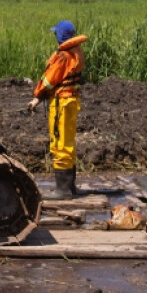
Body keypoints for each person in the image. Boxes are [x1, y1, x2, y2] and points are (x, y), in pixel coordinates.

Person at [27, 20, 88, 199]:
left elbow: (49, 80)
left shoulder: (63, 56)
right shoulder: (76, 52)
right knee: (68, 143)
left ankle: (63, 190)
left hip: (61, 103)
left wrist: (36, 96)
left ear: (60, 36)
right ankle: (70, 187)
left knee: (60, 143)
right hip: (70, 102)